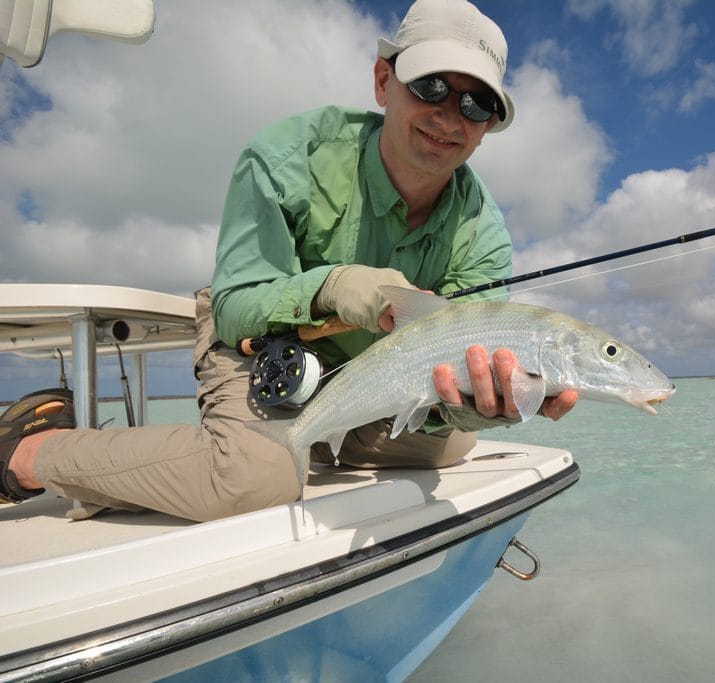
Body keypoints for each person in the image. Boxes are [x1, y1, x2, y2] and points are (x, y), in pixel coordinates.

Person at [0, 0, 577, 522]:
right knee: (253, 482)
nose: (449, 117)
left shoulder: (484, 231)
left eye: (475, 104)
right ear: (384, 82)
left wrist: (477, 407)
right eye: (430, 87)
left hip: (377, 370)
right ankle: (27, 450)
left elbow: (458, 365)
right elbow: (235, 305)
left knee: (453, 442)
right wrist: (333, 284)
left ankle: (320, 435)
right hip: (260, 339)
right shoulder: (285, 157)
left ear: (487, 127)